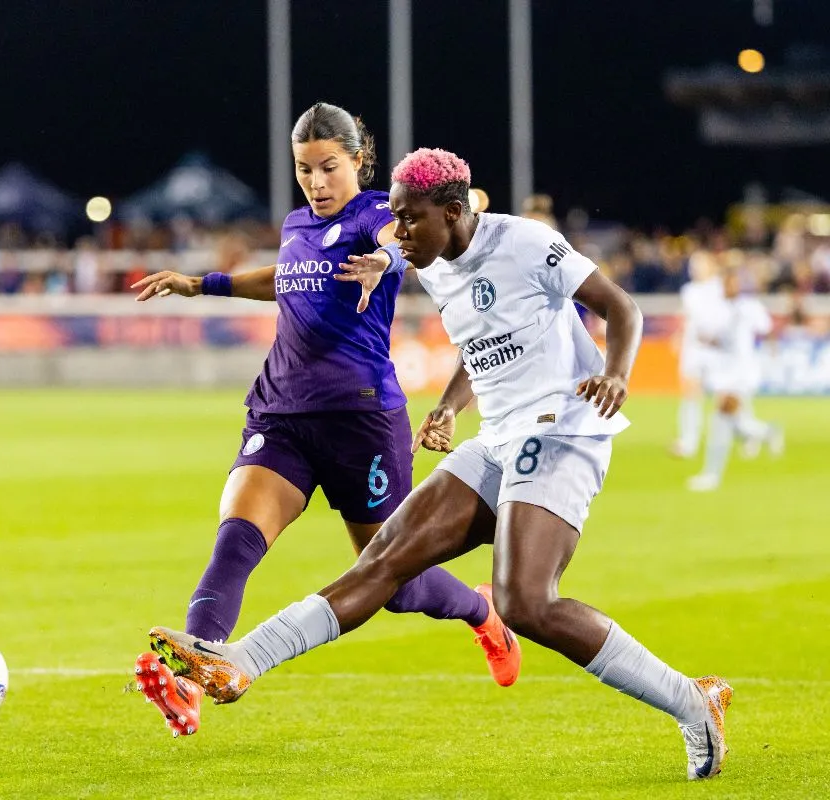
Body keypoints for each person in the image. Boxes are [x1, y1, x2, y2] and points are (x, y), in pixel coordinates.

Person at [143, 148, 733, 781]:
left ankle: (692, 703)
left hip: (563, 426)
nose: (399, 232)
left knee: (526, 602)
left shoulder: (527, 242)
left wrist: (616, 375)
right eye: (394, 218)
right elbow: (484, 350)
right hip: (501, 435)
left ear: (454, 212)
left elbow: (623, 307)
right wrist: (451, 407)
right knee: (383, 563)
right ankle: (239, 663)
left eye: (410, 219)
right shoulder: (437, 264)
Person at [129, 106, 520, 738]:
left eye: (329, 167)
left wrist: (384, 264)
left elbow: (397, 246)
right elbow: (284, 279)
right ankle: (191, 677)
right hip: (281, 412)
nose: (316, 181)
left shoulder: (379, 215)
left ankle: (483, 611)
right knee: (236, 535)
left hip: (361, 422)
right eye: (304, 168)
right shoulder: (295, 225)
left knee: (391, 581)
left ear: (358, 163)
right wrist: (201, 284)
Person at [687, 269, 783, 491]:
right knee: (738, 425)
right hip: (723, 373)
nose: (731, 287)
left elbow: (767, 329)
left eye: (734, 283)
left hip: (742, 373)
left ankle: (711, 475)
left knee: (720, 420)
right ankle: (769, 432)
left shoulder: (749, 307)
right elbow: (711, 337)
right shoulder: (718, 309)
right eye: (728, 283)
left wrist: (771, 355)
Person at [671, 251, 725, 459]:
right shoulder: (689, 290)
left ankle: (747, 432)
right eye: (692, 265)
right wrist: (678, 336)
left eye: (699, 264)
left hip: (716, 349)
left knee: (724, 395)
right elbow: (687, 317)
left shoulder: (720, 287)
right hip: (693, 347)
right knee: (691, 392)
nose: (694, 269)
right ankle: (688, 442)